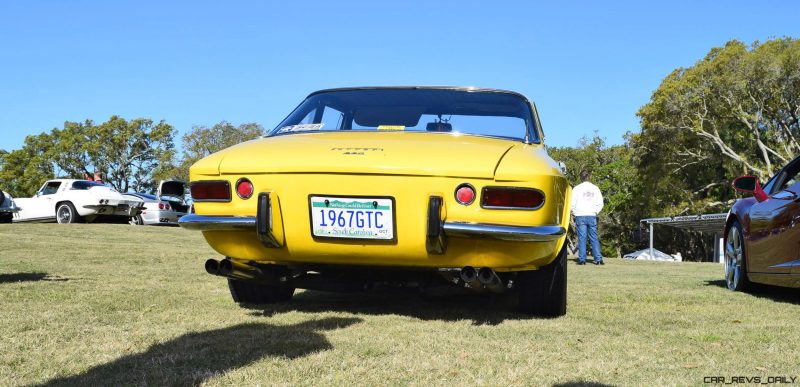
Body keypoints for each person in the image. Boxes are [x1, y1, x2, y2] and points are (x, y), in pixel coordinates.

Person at [571, 170, 604, 265]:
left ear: (581, 178)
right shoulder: (595, 188)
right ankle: (598, 259)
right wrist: (595, 211)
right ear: (589, 177)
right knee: (594, 237)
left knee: (582, 238)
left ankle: (582, 260)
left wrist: (574, 212)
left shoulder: (576, 188)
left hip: (580, 215)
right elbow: (600, 203)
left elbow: (572, 204)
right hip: (592, 215)